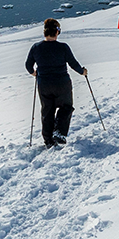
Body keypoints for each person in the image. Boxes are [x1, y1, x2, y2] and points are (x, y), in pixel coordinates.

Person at [25, 18, 86, 146]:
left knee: (47, 111)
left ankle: (48, 140)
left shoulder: (36, 47)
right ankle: (59, 132)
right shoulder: (63, 47)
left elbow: (28, 65)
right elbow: (73, 63)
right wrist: (82, 72)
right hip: (62, 83)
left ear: (45, 32)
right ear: (57, 32)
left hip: (44, 84)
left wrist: (34, 73)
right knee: (66, 107)